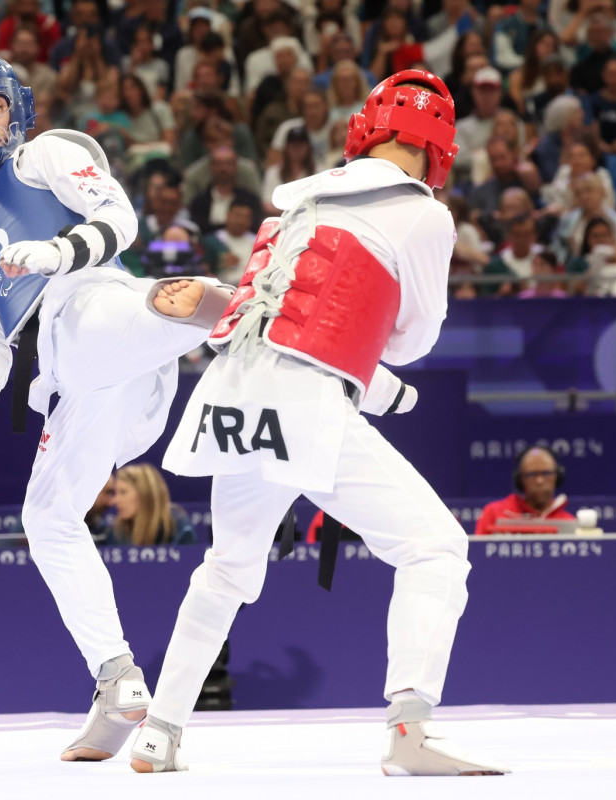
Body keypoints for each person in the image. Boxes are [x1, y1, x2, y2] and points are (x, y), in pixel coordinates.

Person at [129, 70, 507, 777]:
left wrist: (375, 380)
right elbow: (413, 337)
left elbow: (273, 316)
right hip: (305, 401)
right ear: (438, 148)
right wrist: (381, 358)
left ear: (367, 130)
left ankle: (160, 730)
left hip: (230, 391)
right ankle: (410, 732)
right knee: (436, 549)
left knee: (227, 569)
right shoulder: (424, 213)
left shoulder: (294, 204)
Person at [0, 51, 232, 764]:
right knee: (46, 517)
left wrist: (55, 254)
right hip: (82, 390)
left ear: (16, 109)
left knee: (109, 322)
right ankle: (116, 676)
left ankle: (221, 309)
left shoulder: (48, 155)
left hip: (94, 306)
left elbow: (119, 216)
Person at [474, 446, 575, 534]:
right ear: (520, 480)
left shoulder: (569, 523)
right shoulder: (494, 514)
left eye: (546, 473)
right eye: (532, 474)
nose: (539, 481)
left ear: (557, 477)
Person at [108, 464, 197, 546]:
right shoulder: (117, 531)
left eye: (123, 492)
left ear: (145, 494)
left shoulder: (178, 527)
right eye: (115, 493)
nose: (115, 500)